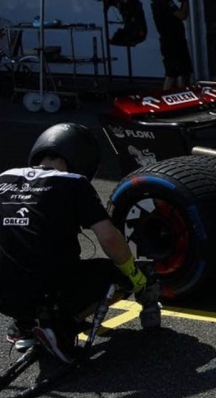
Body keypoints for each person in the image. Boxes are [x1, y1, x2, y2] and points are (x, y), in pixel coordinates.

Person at [1, 124, 160, 363]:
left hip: (4, 298)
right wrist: (133, 272)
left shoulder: (4, 178)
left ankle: (24, 326)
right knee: (122, 274)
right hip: (47, 291)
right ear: (83, 159)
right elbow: (109, 238)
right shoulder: (73, 182)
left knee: (19, 257)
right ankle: (61, 327)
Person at [146, 0, 193, 90]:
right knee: (175, 74)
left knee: (177, 72)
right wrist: (185, 2)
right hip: (173, 41)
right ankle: (177, 97)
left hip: (170, 40)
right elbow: (182, 15)